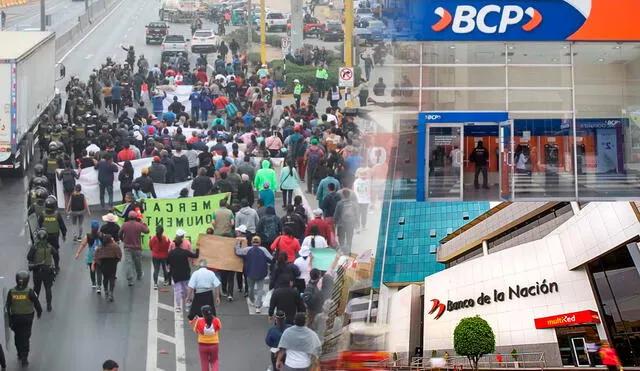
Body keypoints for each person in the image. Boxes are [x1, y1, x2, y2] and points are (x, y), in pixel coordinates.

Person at [5, 271, 42, 366]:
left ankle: (19, 353)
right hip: (27, 319)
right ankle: (24, 357)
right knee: (25, 338)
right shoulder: (29, 292)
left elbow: (7, 307)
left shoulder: (11, 292)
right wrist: (39, 312)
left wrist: (9, 320)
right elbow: (37, 303)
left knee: (17, 337)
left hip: (15, 319)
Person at [236, 236, 272, 313]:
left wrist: (238, 243)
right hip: (261, 273)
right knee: (260, 290)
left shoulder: (247, 249)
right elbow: (271, 259)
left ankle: (252, 300)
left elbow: (238, 252)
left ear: (251, 242)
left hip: (249, 272)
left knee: (250, 288)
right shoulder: (264, 250)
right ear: (260, 242)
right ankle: (258, 306)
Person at [27, 229, 59, 312]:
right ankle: (49, 306)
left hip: (37, 271)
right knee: (48, 288)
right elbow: (55, 254)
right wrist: (56, 267)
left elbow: (29, 257)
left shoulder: (34, 247)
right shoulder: (50, 247)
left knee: (36, 288)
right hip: (48, 270)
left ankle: (34, 305)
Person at [118, 211, 150, 286]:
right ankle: (139, 275)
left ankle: (130, 279)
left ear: (128, 217)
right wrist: (143, 223)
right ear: (136, 217)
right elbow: (147, 231)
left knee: (128, 263)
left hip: (127, 247)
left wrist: (123, 240)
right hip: (137, 247)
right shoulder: (139, 225)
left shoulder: (125, 225)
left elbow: (119, 233)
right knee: (137, 262)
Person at [167, 241, 200, 312]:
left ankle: (178, 306)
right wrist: (198, 248)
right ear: (181, 244)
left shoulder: (171, 253)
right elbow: (196, 255)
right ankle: (187, 305)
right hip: (185, 273)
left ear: (174, 244)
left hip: (175, 274)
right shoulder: (185, 252)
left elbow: (168, 263)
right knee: (186, 289)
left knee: (177, 290)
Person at [190, 305, 222, 371]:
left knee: (204, 362)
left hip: (202, 345)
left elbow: (195, 330)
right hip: (214, 344)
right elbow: (219, 328)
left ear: (202, 313)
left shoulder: (199, 321)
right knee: (214, 361)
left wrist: (195, 322)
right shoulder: (216, 320)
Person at [75, 220, 103, 293]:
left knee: (92, 269)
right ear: (98, 228)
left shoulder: (88, 236)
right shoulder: (101, 235)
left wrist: (78, 253)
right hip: (100, 255)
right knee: (99, 271)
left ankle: (93, 282)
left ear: (91, 227)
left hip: (91, 255)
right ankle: (99, 286)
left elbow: (83, 245)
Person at [93, 234, 122, 302]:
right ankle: (111, 292)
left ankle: (106, 290)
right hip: (112, 264)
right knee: (112, 278)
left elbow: (96, 256)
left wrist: (98, 263)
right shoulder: (115, 247)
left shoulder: (100, 247)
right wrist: (117, 261)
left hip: (103, 264)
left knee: (105, 277)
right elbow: (119, 255)